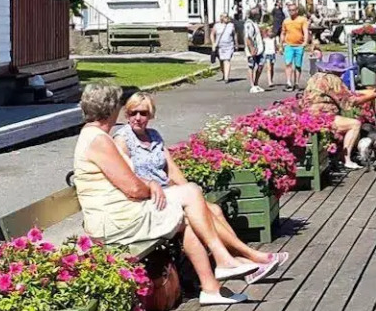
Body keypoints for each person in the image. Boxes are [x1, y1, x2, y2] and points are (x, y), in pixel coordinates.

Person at [73, 82, 251, 306]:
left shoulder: (96, 136)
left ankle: (211, 287)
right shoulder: (98, 140)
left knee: (187, 216)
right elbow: (133, 188)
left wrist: (148, 182)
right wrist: (151, 186)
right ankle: (223, 259)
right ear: (111, 110)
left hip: (121, 214)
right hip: (115, 221)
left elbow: (125, 178)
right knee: (191, 192)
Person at [115, 94, 286, 280]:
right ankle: (250, 256)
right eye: (133, 113)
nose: (138, 118)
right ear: (127, 113)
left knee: (213, 209)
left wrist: (193, 195)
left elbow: (172, 170)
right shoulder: (123, 139)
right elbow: (127, 176)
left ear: (151, 115)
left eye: (143, 113)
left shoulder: (154, 136)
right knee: (203, 214)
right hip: (152, 198)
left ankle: (241, 264)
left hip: (171, 192)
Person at [302, 71, 376, 169]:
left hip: (309, 116)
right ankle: (346, 159)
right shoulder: (333, 80)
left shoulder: (315, 77)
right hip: (324, 117)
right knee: (355, 124)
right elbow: (351, 102)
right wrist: (374, 95)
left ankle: (341, 155)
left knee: (346, 121)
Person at [281, 7, 311, 91]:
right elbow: (283, 33)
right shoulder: (286, 21)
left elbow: (305, 31)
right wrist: (281, 44)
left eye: (293, 10)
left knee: (298, 65)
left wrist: (305, 42)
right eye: (289, 10)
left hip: (299, 45)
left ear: (297, 11)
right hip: (289, 45)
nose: (291, 12)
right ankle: (288, 82)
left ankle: (297, 83)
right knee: (288, 63)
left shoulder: (302, 20)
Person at [212, 12, 237, 84]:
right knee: (221, 61)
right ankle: (224, 74)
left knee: (227, 60)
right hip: (220, 46)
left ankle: (226, 78)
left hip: (229, 45)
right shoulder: (217, 25)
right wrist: (213, 43)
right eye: (225, 17)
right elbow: (212, 34)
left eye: (227, 16)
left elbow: (234, 34)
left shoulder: (231, 25)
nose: (227, 18)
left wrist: (236, 43)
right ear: (221, 18)